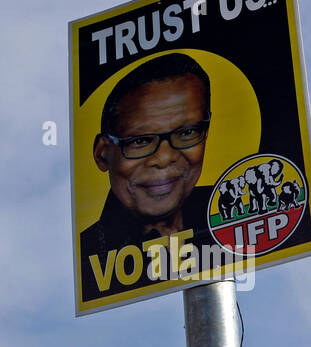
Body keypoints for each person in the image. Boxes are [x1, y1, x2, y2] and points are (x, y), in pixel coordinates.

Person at [80, 53, 215, 301]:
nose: (164, 158)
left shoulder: (234, 214)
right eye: (140, 141)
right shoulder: (88, 253)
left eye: (187, 132)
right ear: (102, 154)